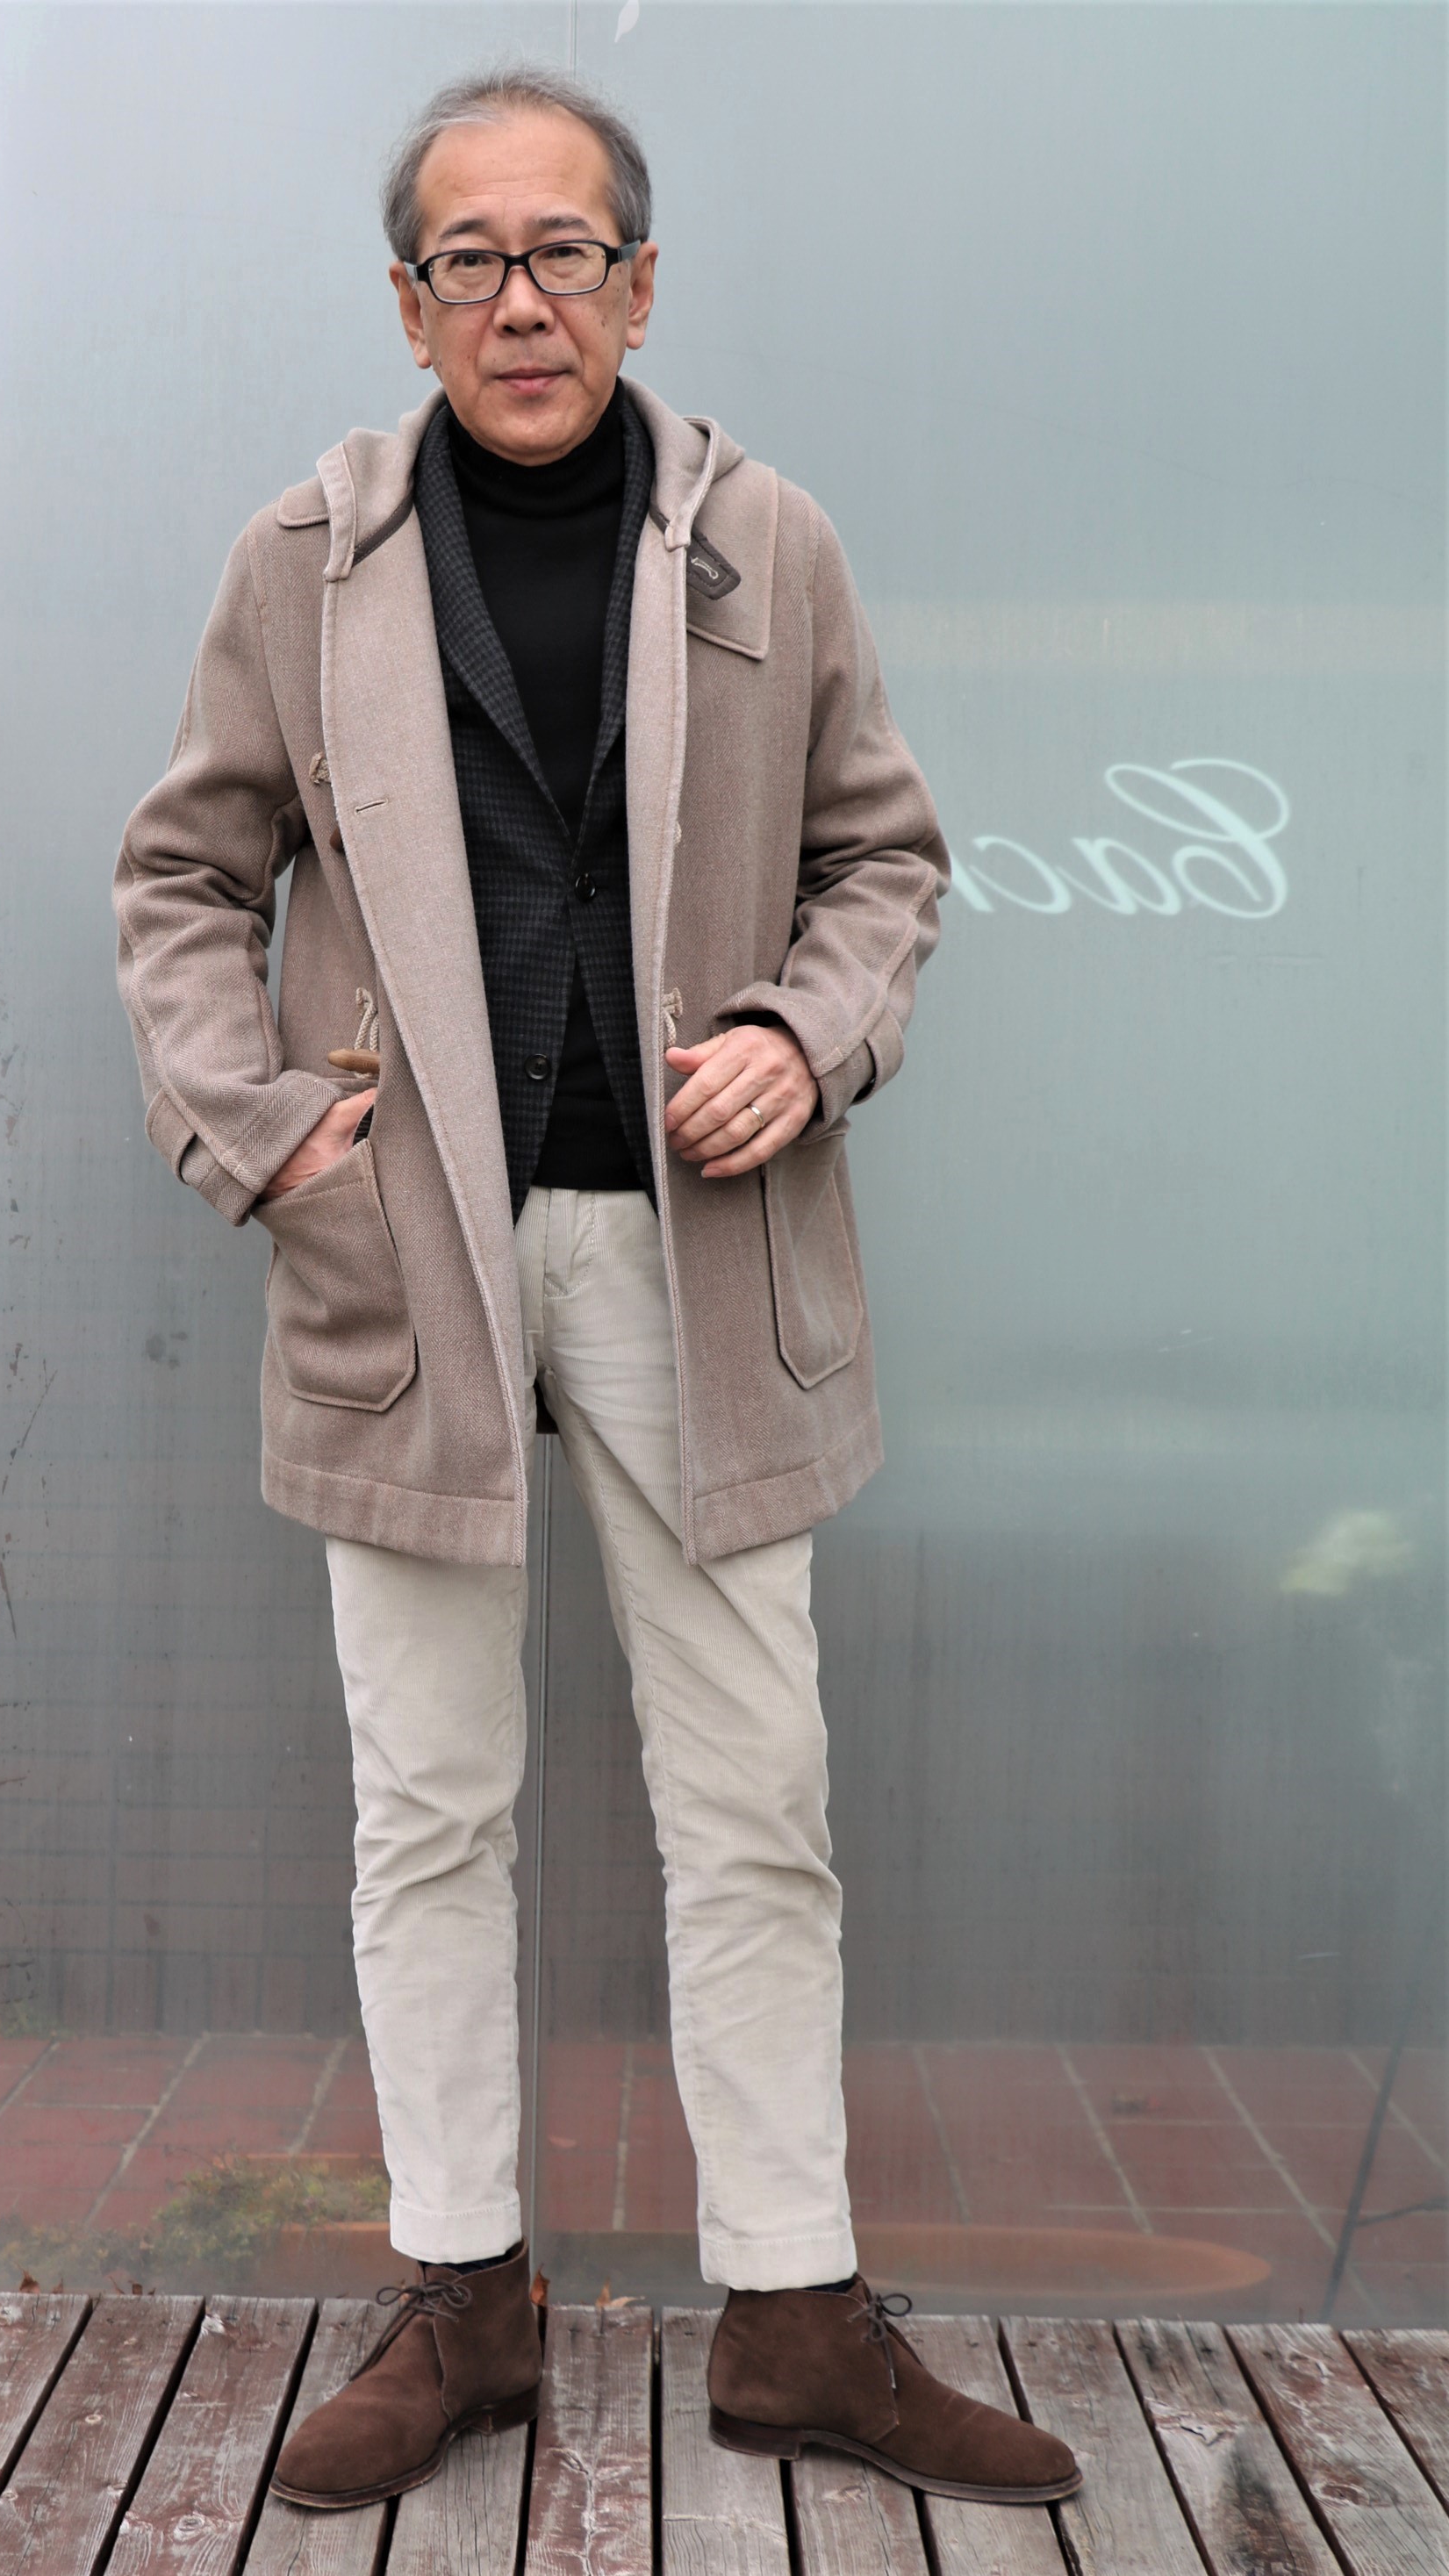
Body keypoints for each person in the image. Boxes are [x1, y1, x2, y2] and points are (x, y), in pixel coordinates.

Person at [115, 63, 1080, 2515]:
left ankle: (795, 2319)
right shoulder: (301, 564)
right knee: (429, 1805)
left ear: (642, 283)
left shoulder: (767, 543)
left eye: (566, 252)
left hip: (697, 1252)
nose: (521, 299)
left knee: (755, 1797)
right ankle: (464, 2301)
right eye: (472, 258)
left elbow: (884, 859)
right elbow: (183, 879)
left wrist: (803, 1035)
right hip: (406, 1255)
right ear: (410, 302)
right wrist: (267, 1129)